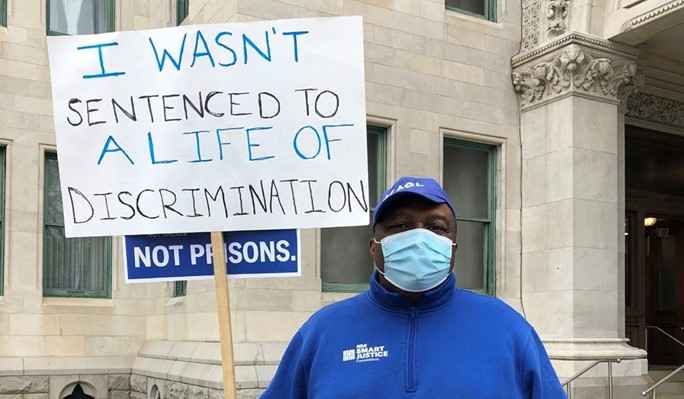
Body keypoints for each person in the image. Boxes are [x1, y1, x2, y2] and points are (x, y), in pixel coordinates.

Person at [260, 176, 567, 398]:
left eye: (436, 227)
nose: (419, 238)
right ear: (374, 247)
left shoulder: (508, 329)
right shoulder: (321, 332)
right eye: (401, 226)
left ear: (453, 247)